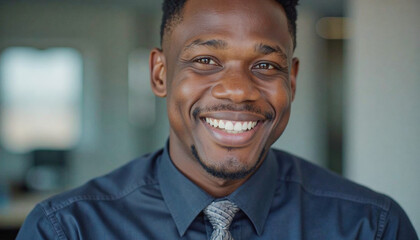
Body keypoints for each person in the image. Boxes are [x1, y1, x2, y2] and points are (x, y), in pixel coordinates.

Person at [17, 0, 418, 239]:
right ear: (160, 74)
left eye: (264, 64)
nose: (238, 90)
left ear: (291, 80)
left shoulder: (371, 228)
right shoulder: (66, 230)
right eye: (206, 60)